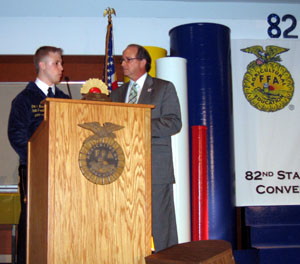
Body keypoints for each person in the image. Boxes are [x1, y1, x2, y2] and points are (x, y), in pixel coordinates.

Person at [110, 44, 182, 252]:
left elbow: (174, 122)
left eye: (127, 59)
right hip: (122, 169)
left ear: (143, 62)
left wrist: (138, 126)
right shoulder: (117, 94)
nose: (122, 64)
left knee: (162, 225)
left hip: (155, 169)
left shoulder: (163, 88)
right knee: (126, 223)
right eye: (122, 60)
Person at [8, 46, 70, 264]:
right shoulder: (24, 100)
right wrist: (40, 159)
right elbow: (16, 136)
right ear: (42, 65)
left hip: (63, 172)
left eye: (61, 63)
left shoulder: (65, 99)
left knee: (61, 219)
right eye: (57, 63)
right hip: (35, 170)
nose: (62, 68)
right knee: (33, 220)